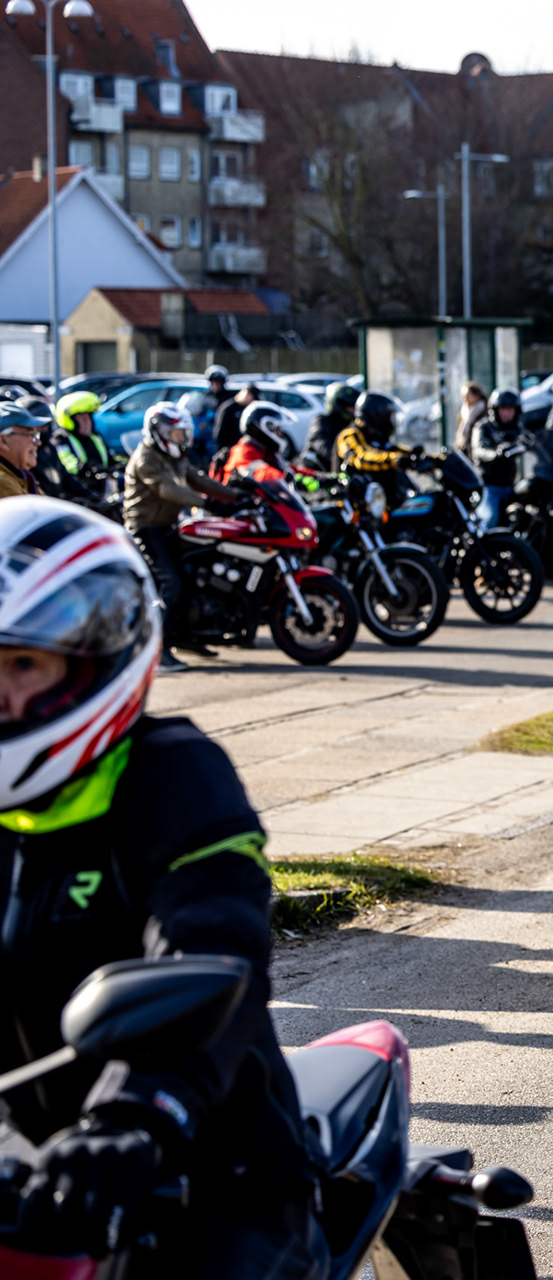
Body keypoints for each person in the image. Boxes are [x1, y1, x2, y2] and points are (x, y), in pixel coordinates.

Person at [0, 498, 327, 1277]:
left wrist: (134, 1111)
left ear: (96, 663)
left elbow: (213, 941)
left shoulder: (173, 775)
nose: (2, 694)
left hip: (205, 1172)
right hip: (32, 1170)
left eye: (24, 664)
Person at [123, 403, 248, 672]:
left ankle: (185, 637)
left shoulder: (175, 457)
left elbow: (198, 479)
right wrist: (208, 503)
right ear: (158, 432)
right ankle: (159, 650)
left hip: (168, 526)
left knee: (194, 574)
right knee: (172, 584)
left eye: (182, 434)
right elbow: (168, 489)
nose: (181, 439)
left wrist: (235, 496)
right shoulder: (146, 458)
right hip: (146, 529)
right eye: (176, 433)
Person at [334, 392, 416, 506]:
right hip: (360, 507)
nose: (392, 421)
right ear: (378, 416)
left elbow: (395, 451)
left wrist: (421, 457)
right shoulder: (349, 435)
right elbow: (361, 457)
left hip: (385, 501)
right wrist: (395, 459)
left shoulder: (377, 435)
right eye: (390, 416)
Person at [469, 388, 527, 528]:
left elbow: (533, 440)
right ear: (495, 410)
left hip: (512, 486)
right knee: (490, 520)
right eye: (503, 409)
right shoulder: (483, 427)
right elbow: (478, 450)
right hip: (489, 487)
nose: (507, 413)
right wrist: (496, 453)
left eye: (510, 409)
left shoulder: (517, 429)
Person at [216, 403, 296, 484]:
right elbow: (255, 473)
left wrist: (300, 475)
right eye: (278, 430)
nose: (281, 434)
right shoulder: (243, 451)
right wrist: (283, 477)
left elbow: (284, 467)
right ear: (266, 427)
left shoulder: (264, 450)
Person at [305, 382, 358, 472]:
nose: (352, 410)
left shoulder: (352, 424)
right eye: (348, 406)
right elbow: (323, 448)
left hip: (342, 473)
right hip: (318, 473)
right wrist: (350, 458)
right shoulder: (321, 422)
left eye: (353, 406)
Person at [0, 402, 45, 498]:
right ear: (3, 441)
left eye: (36, 435)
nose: (38, 442)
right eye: (31, 435)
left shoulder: (20, 475)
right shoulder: (3, 482)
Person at [211, 383, 258, 458]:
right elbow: (220, 431)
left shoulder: (250, 409)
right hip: (229, 449)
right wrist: (222, 450)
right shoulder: (229, 408)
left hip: (244, 450)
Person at [453, 380, 487, 454]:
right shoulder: (463, 413)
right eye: (463, 396)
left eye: (467, 396)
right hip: (464, 451)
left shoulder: (484, 414)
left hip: (477, 452)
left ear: (477, 396)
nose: (465, 399)